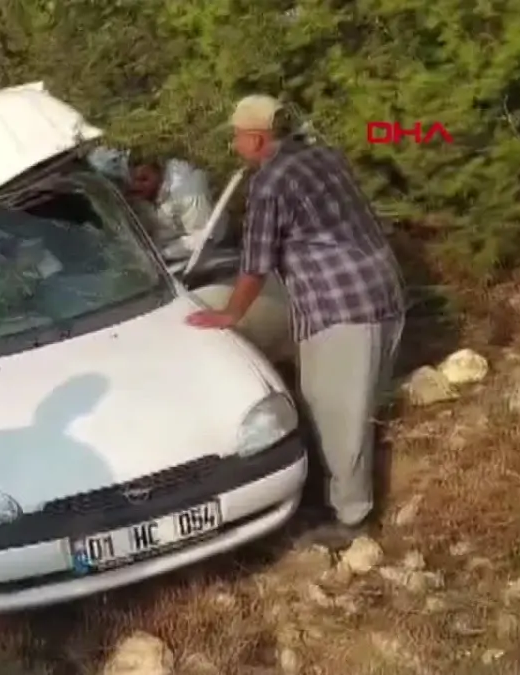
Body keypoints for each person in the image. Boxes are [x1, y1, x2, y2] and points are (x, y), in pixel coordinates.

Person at [186, 94, 406, 550]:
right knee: (360, 404)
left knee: (335, 413)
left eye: (237, 136)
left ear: (256, 137)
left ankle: (351, 520)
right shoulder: (323, 154)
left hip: (340, 304)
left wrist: (231, 314)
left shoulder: (270, 183)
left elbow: (255, 263)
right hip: (383, 285)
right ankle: (346, 494)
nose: (234, 145)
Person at [125, 153, 214, 248]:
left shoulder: (189, 195)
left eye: (143, 179)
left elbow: (205, 239)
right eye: (132, 180)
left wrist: (162, 253)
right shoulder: (142, 194)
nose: (136, 186)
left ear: (159, 171)